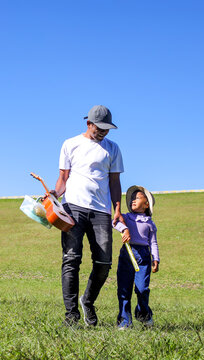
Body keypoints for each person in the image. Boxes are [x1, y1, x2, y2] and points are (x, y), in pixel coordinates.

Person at [51, 105, 124, 326]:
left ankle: (88, 301)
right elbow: (63, 179)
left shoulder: (113, 148)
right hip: (73, 207)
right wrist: (54, 195)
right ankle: (71, 316)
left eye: (107, 128)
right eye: (99, 128)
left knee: (104, 262)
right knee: (71, 259)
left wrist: (118, 209)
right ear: (88, 124)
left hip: (101, 211)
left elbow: (114, 182)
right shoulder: (70, 144)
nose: (103, 132)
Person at [113, 185, 159, 329]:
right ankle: (125, 321)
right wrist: (123, 229)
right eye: (132, 198)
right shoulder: (125, 217)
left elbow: (153, 242)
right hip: (127, 254)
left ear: (146, 204)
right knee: (124, 289)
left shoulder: (150, 224)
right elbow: (114, 221)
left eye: (138, 198)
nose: (133, 200)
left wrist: (155, 259)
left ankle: (143, 314)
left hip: (144, 257)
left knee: (142, 289)